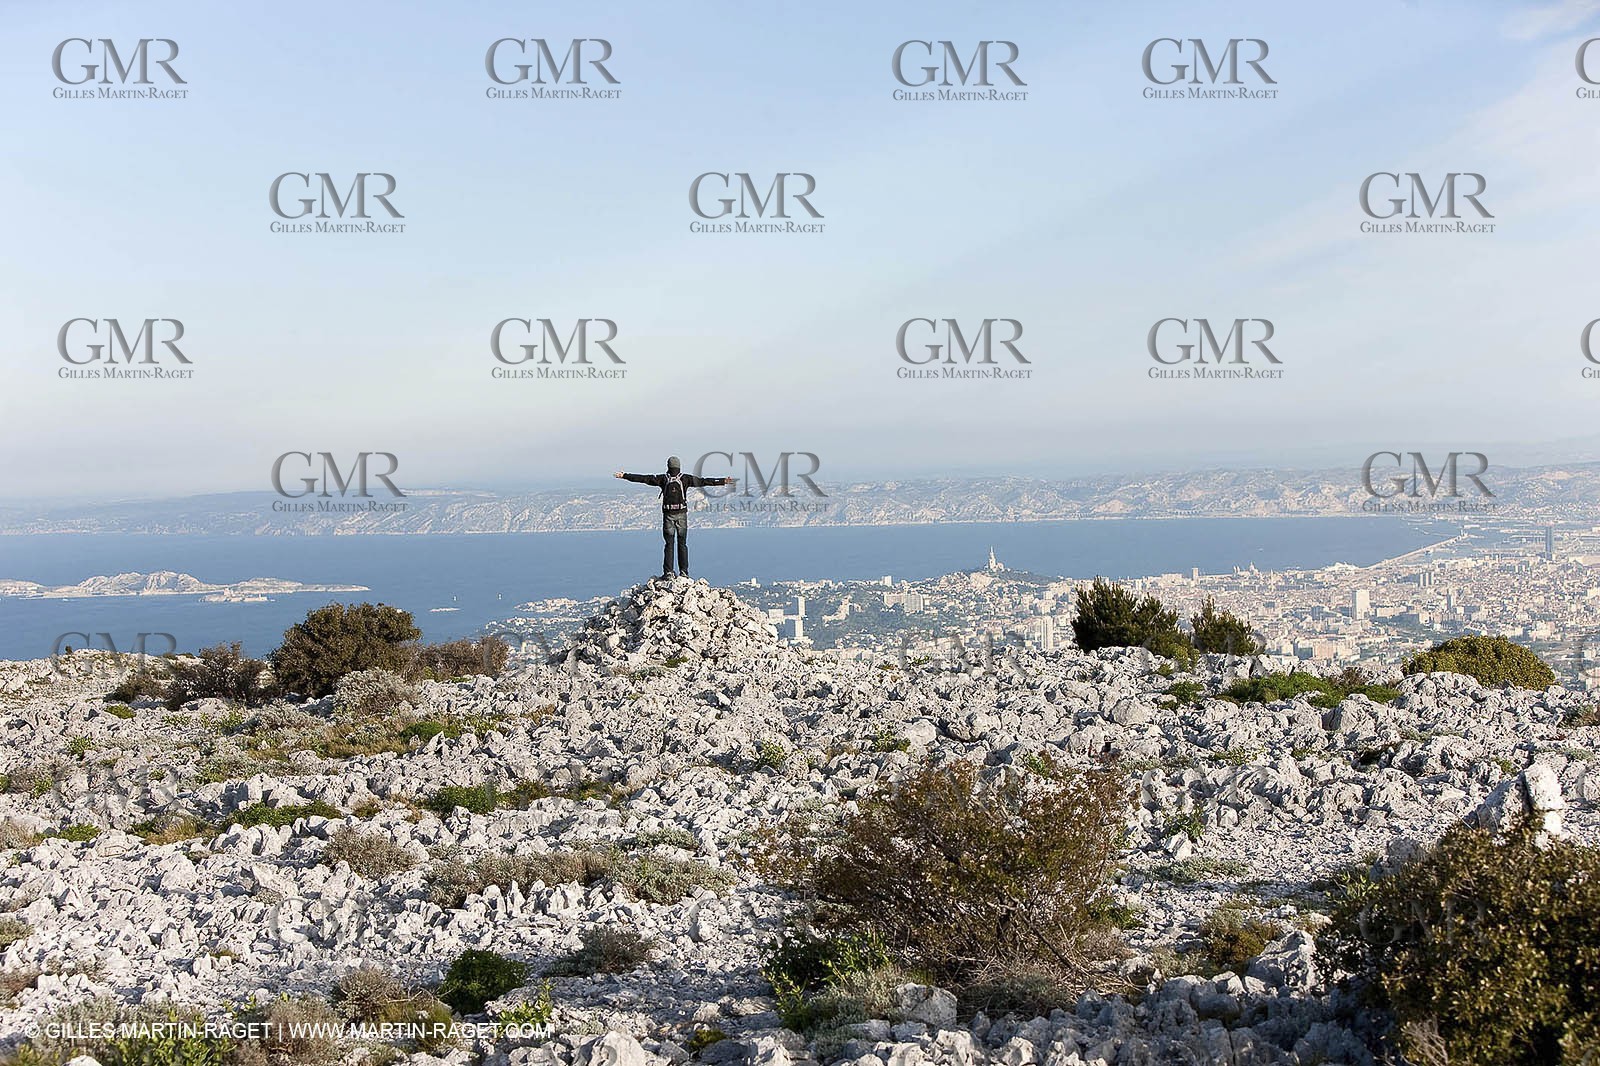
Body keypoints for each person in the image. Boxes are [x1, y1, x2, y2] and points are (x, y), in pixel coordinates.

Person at [614, 456, 737, 579]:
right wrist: (723, 481)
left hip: (668, 515)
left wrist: (625, 475)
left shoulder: (662, 479)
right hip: (681, 514)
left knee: (669, 544)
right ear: (679, 466)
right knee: (682, 544)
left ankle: (668, 572)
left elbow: (643, 479)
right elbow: (704, 481)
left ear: (668, 466)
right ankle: (684, 572)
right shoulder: (685, 479)